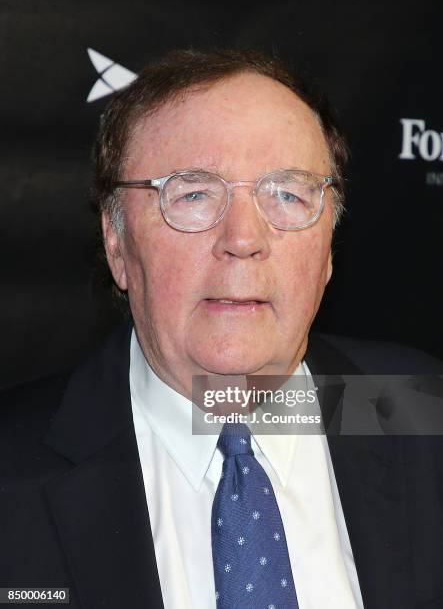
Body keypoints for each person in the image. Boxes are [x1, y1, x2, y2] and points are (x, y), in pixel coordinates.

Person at [1, 49, 443, 609]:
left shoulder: (425, 416)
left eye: (287, 193)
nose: (242, 237)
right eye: (192, 194)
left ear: (329, 245)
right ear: (117, 243)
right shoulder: (11, 477)